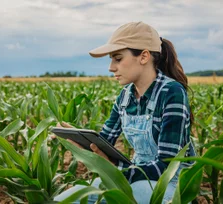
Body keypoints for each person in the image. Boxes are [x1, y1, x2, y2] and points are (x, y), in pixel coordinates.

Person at [54, 21, 196, 204]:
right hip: (136, 178)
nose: (111, 67)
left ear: (144, 56)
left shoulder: (172, 93)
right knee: (64, 200)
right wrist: (82, 142)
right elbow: (105, 142)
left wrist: (117, 168)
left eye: (118, 58)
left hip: (171, 187)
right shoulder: (125, 97)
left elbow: (167, 166)